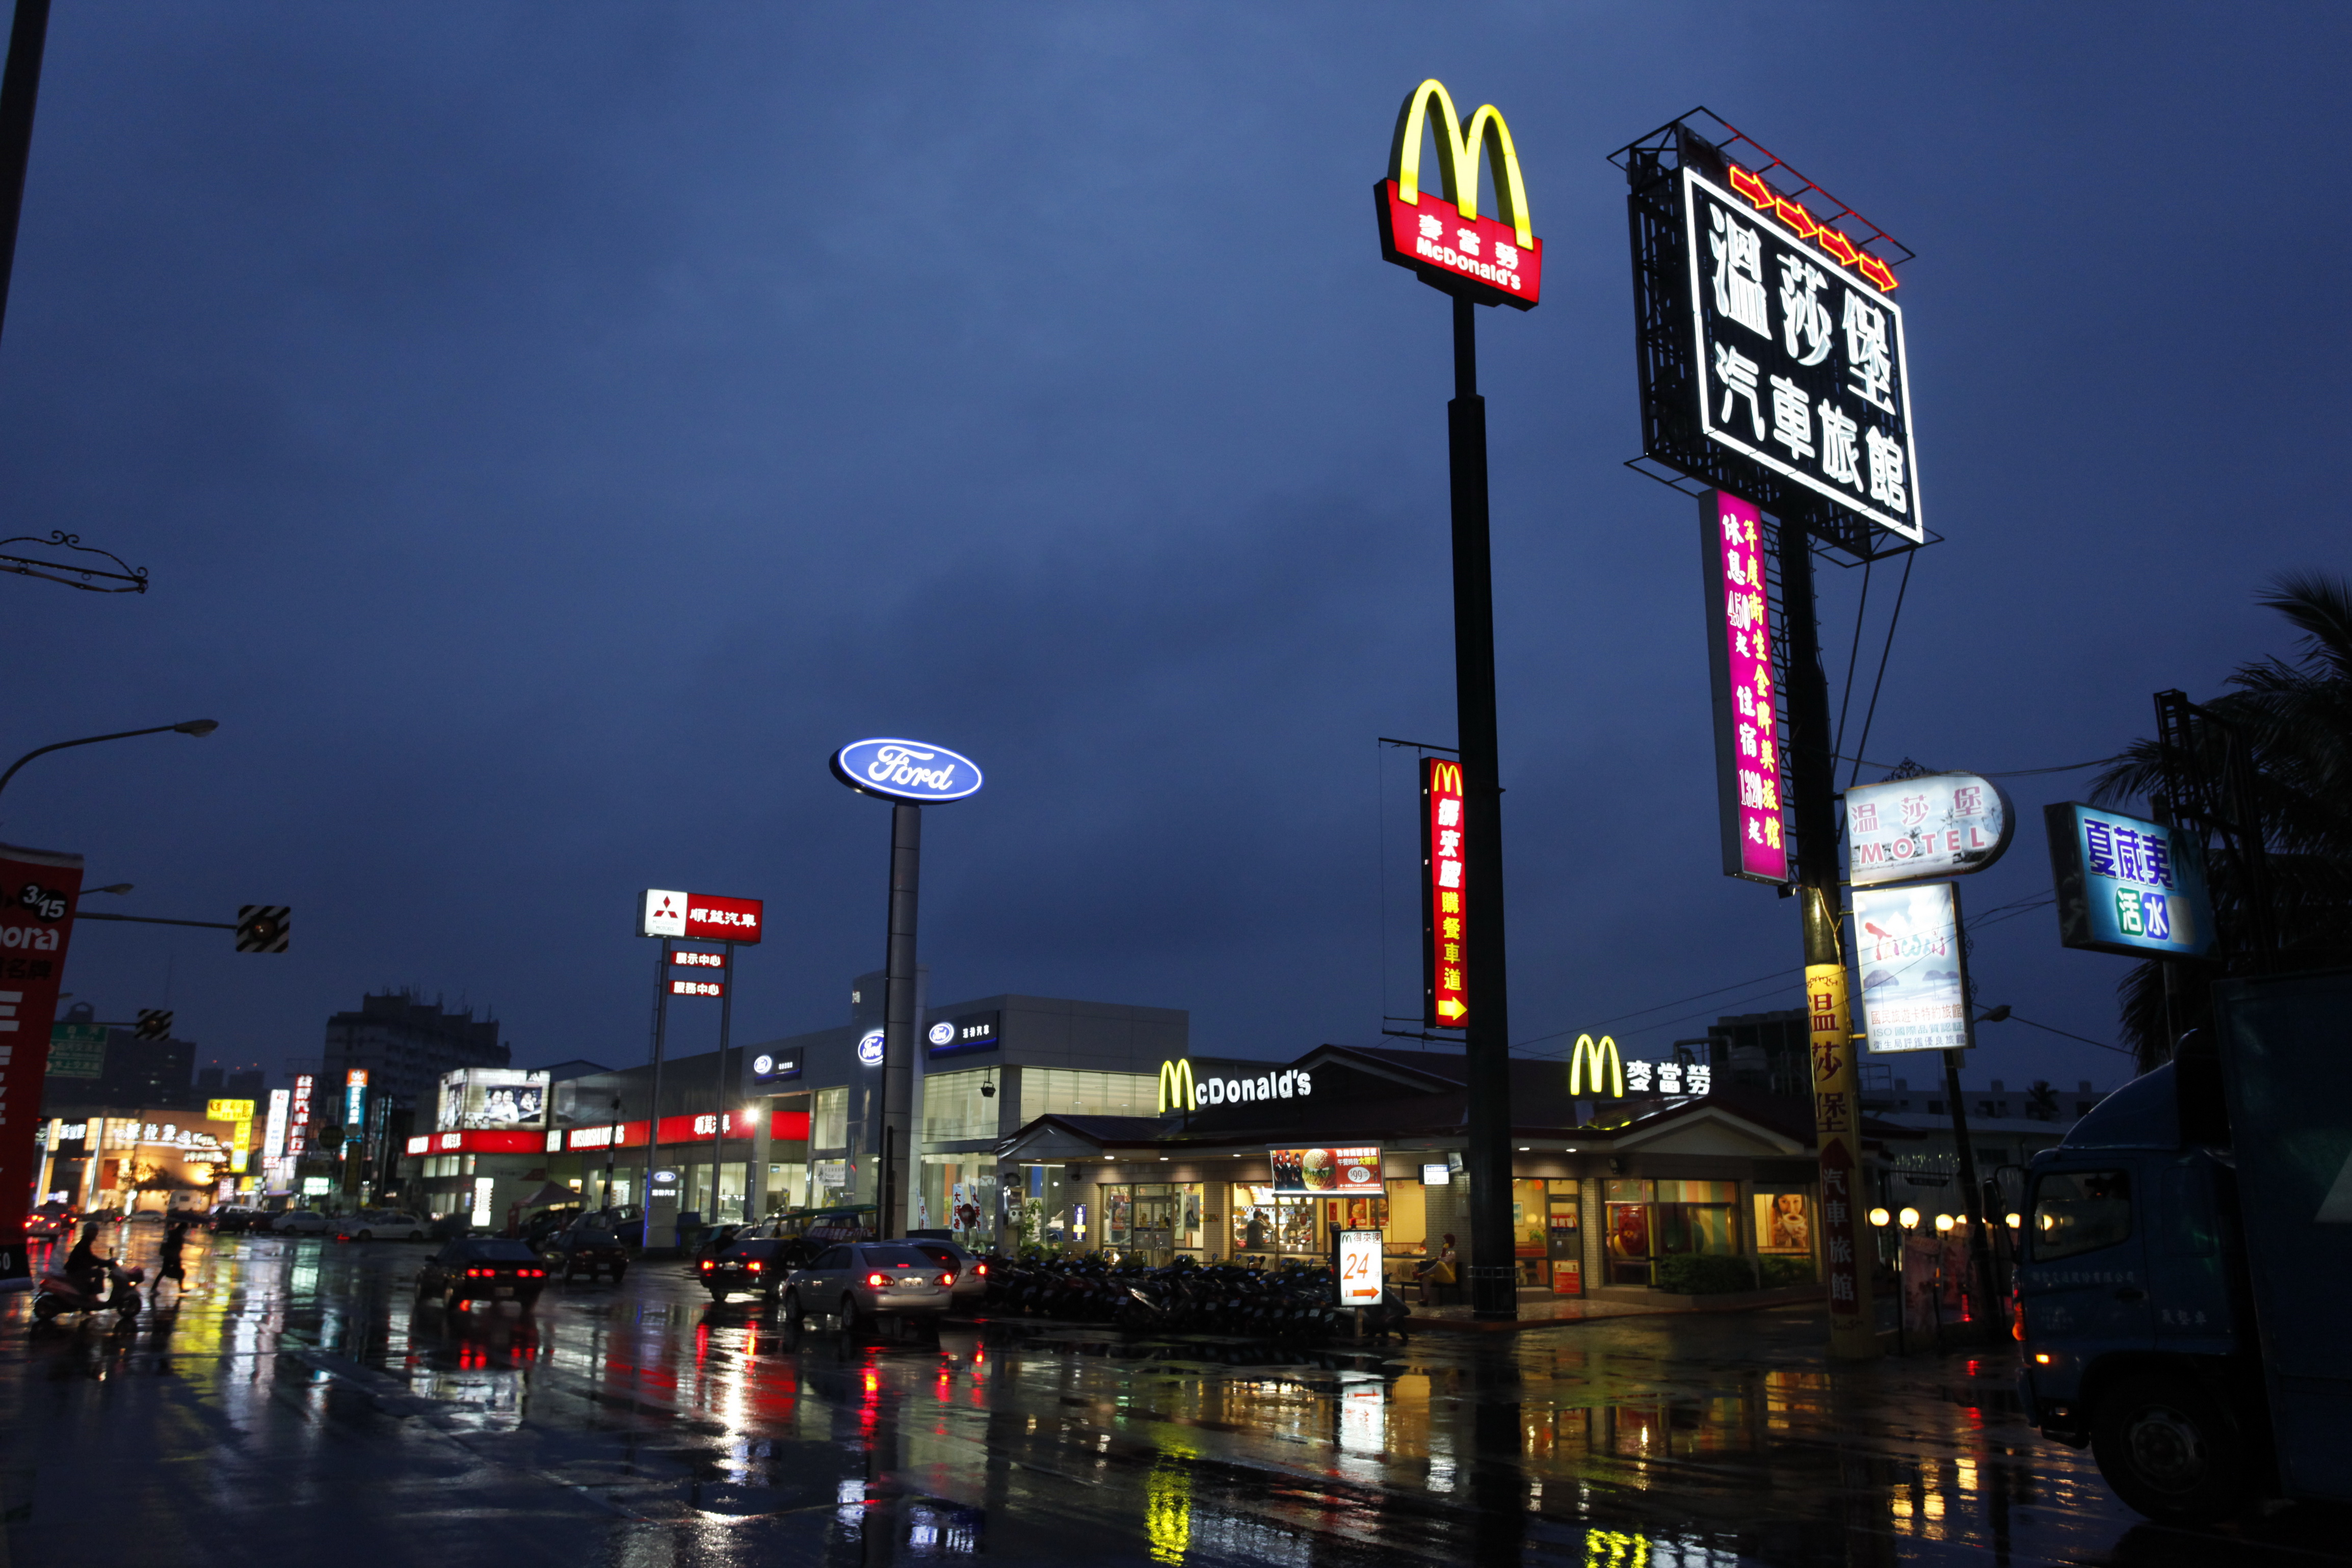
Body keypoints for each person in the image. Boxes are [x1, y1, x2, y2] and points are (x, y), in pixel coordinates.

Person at [63, 1221, 105, 1301]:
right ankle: (93, 1296)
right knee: (100, 1273)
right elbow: (89, 1259)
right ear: (87, 1232)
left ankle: (88, 1298)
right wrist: (103, 1263)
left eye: (96, 1231)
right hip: (75, 1272)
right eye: (93, 1231)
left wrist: (103, 1262)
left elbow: (91, 1258)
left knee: (95, 1273)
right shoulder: (83, 1244)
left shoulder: (86, 1243)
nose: (95, 1233)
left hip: (78, 1270)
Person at [1415, 1234, 1459, 1306]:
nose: (1443, 1242)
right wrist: (1437, 1258)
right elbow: (1442, 1258)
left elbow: (1444, 1261)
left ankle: (1422, 1274)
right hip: (1439, 1277)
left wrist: (1444, 1250)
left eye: (1445, 1241)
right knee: (1427, 1279)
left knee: (1439, 1264)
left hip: (1449, 1278)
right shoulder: (1444, 1253)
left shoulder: (1452, 1253)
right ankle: (1426, 1298)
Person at [156, 1221, 189, 1306]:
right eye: (186, 1229)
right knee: (167, 1272)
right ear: (183, 1229)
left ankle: (181, 1288)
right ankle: (181, 1289)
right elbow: (176, 1246)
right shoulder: (178, 1236)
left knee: (175, 1272)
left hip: (172, 1256)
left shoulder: (175, 1234)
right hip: (173, 1256)